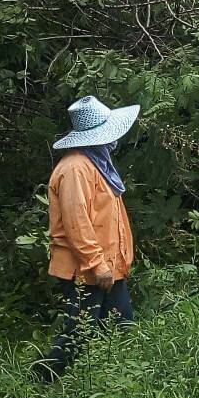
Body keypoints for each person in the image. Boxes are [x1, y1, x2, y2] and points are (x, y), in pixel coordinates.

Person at [34, 95, 140, 380]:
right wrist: (97, 264)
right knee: (79, 334)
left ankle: (122, 382)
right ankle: (39, 379)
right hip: (86, 268)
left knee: (122, 326)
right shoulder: (75, 168)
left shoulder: (97, 163)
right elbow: (76, 223)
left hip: (107, 266)